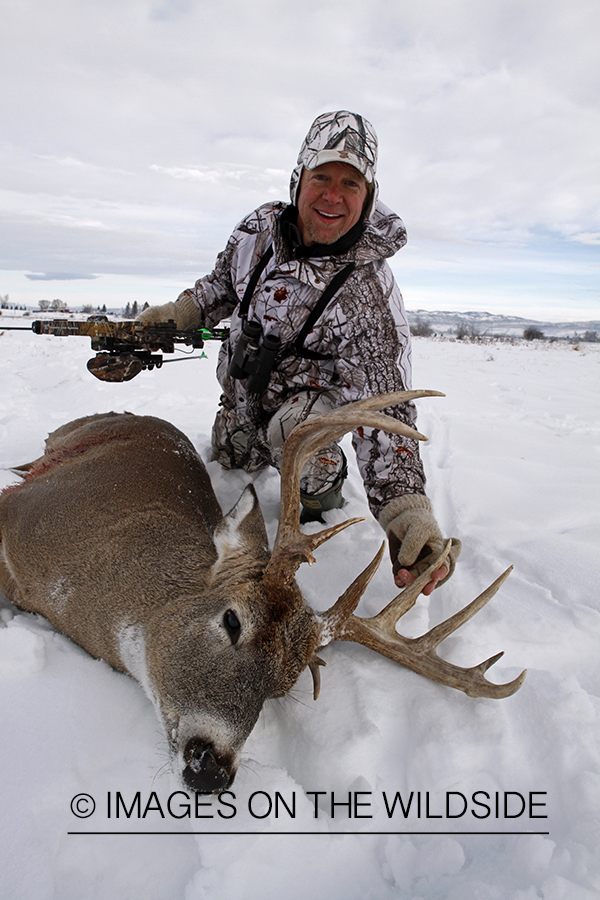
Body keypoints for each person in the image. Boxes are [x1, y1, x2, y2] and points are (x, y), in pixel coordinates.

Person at [139, 110, 460, 595]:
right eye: (323, 177)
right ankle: (246, 438)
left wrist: (406, 511)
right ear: (299, 179)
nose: (333, 196)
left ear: (368, 196)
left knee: (296, 436)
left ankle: (321, 493)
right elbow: (221, 286)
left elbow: (387, 407)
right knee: (228, 452)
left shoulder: (367, 295)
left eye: (351, 185)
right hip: (243, 407)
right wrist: (176, 314)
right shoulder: (259, 229)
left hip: (301, 430)